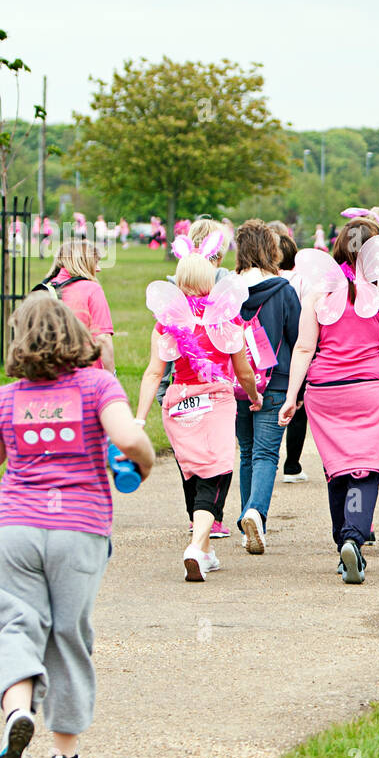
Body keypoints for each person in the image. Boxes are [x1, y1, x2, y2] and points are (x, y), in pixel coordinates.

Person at [0, 295, 154, 758]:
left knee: (18, 625)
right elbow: (129, 438)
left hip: (16, 528)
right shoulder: (97, 385)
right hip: (78, 528)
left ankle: (17, 711)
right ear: (76, 336)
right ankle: (65, 757)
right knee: (68, 637)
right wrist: (143, 463)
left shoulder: (8, 398)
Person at [279, 217, 379, 584]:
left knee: (338, 468)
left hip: (325, 394)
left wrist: (290, 397)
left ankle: (344, 543)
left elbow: (303, 347)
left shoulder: (318, 293)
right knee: (366, 468)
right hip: (369, 392)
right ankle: (352, 536)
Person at [136, 247, 262, 581]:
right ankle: (195, 546)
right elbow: (244, 371)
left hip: (179, 402)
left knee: (192, 471)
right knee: (217, 473)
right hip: (215, 401)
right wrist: (254, 397)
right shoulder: (225, 319)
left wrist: (139, 418)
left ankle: (204, 550)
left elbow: (153, 373)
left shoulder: (167, 323)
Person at [233, 219, 302, 554]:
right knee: (266, 454)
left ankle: (249, 519)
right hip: (276, 380)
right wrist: (298, 391)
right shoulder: (284, 290)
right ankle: (255, 513)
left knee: (246, 451)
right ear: (271, 249)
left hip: (237, 381)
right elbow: (298, 340)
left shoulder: (227, 290)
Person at [267, 221, 310, 484]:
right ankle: (292, 463)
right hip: (295, 347)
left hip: (270, 349)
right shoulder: (300, 281)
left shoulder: (267, 282)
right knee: (298, 407)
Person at [37, 241, 116, 372]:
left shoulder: (45, 289)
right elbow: (103, 339)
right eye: (95, 262)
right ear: (83, 262)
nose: (98, 269)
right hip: (85, 373)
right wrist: (111, 377)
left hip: (49, 373)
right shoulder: (91, 289)